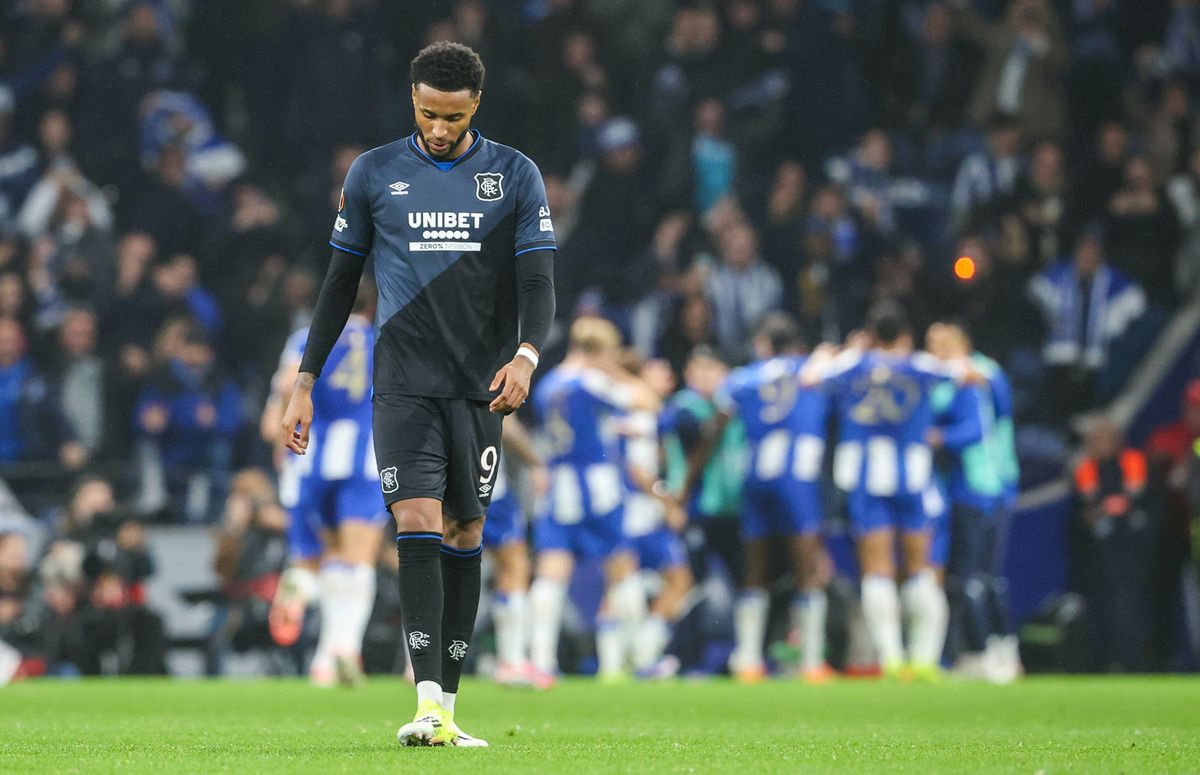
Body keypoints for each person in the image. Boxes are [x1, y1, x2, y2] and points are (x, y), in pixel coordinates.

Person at [280, 42, 556, 748]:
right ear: (413, 99)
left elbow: (537, 281)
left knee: (467, 531)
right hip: (402, 383)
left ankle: (450, 708)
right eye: (428, 113)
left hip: (481, 388)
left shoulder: (513, 174)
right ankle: (427, 703)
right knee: (416, 519)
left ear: (476, 106)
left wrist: (526, 356)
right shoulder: (374, 172)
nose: (438, 128)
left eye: (453, 117)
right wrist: (304, 381)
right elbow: (339, 284)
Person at [804, 304, 961, 680]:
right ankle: (924, 659)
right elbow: (970, 374)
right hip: (913, 477)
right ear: (905, 335)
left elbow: (810, 378)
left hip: (864, 478)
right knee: (920, 568)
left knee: (877, 570)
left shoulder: (854, 365)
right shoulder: (920, 365)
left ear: (871, 335)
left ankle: (891, 658)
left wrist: (844, 352)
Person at [262, 281, 386, 687]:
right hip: (362, 458)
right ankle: (344, 648)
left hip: (310, 457)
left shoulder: (306, 337)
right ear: (372, 305)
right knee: (356, 559)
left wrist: (277, 435)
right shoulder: (380, 338)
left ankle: (309, 619)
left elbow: (286, 388)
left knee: (318, 558)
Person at [527, 317, 661, 685]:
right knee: (621, 566)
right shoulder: (592, 382)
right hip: (597, 487)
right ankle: (640, 657)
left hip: (559, 486)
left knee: (552, 571)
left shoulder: (548, 384)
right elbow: (647, 401)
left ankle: (541, 660)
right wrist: (615, 371)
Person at [702, 313, 833, 683]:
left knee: (755, 571)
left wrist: (689, 479)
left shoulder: (743, 377)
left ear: (764, 343)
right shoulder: (815, 369)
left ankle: (747, 660)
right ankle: (811, 662)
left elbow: (717, 424)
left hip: (757, 474)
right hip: (798, 477)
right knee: (807, 570)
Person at [486, 415, 546, 686]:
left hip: (438, 477)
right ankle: (512, 660)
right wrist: (537, 461)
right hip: (486, 481)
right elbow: (507, 425)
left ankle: (418, 663)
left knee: (437, 564)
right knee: (514, 565)